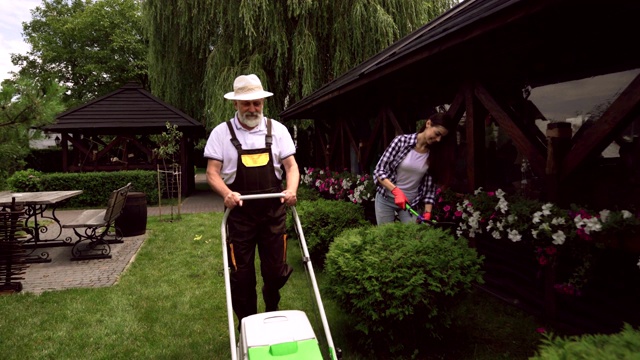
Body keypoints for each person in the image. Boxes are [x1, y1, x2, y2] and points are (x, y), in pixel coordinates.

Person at [204, 74, 299, 327]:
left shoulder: (277, 131)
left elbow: (291, 167)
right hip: (240, 216)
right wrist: (226, 193)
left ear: (263, 103)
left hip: (273, 214)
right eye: (246, 104)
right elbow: (212, 172)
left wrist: (291, 189)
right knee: (242, 276)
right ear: (235, 104)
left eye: (257, 103)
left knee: (275, 271)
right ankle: (246, 323)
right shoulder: (221, 134)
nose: (252, 108)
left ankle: (271, 307)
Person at [373, 112, 453, 225]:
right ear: (428, 123)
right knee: (386, 237)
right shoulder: (401, 142)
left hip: (411, 204)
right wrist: (396, 192)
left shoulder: (434, 155)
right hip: (386, 199)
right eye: (437, 133)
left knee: (414, 238)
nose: (438, 139)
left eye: (442, 137)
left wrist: (427, 213)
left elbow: (430, 189)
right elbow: (379, 170)